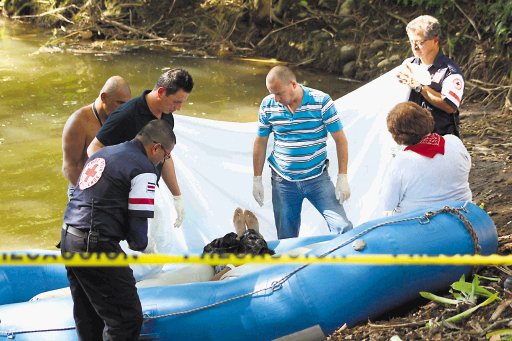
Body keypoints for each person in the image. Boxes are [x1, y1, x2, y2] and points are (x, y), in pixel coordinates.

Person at [60, 119, 176, 340]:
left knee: (89, 317)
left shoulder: (103, 154)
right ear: (156, 148)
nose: (164, 160)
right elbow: (137, 236)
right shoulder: (144, 169)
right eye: (167, 155)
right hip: (95, 246)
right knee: (126, 318)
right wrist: (145, 246)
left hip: (68, 237)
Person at [252, 65, 353, 239]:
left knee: (343, 228)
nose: (275, 99)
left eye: (279, 93)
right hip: (283, 181)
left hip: (317, 178)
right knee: (286, 238)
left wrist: (342, 177)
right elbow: (261, 142)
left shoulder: (321, 101)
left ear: (293, 84)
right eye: (271, 93)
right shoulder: (268, 105)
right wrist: (257, 178)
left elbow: (340, 140)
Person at [87, 68, 194, 228]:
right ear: (161, 92)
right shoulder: (127, 113)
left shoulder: (167, 117)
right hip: (119, 196)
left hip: (146, 193)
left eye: (182, 103)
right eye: (176, 102)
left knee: (154, 242)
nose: (178, 108)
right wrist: (115, 181)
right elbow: (94, 148)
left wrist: (177, 196)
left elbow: (166, 156)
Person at [381, 101, 472, 215]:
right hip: (463, 213)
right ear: (428, 118)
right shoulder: (454, 141)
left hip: (422, 224)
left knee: (387, 214)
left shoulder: (402, 161)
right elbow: (467, 167)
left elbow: (388, 204)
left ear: (396, 134)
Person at [62, 75, 131, 198]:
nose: (123, 109)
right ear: (104, 97)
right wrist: (91, 196)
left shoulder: (122, 118)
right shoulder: (78, 121)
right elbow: (70, 167)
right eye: (119, 103)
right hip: (82, 190)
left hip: (111, 189)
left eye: (126, 104)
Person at [397, 15, 464, 137]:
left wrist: (419, 86)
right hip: (412, 137)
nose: (414, 46)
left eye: (419, 42)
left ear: (435, 40)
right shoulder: (408, 64)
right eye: (411, 41)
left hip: (440, 137)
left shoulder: (449, 71)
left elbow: (450, 106)